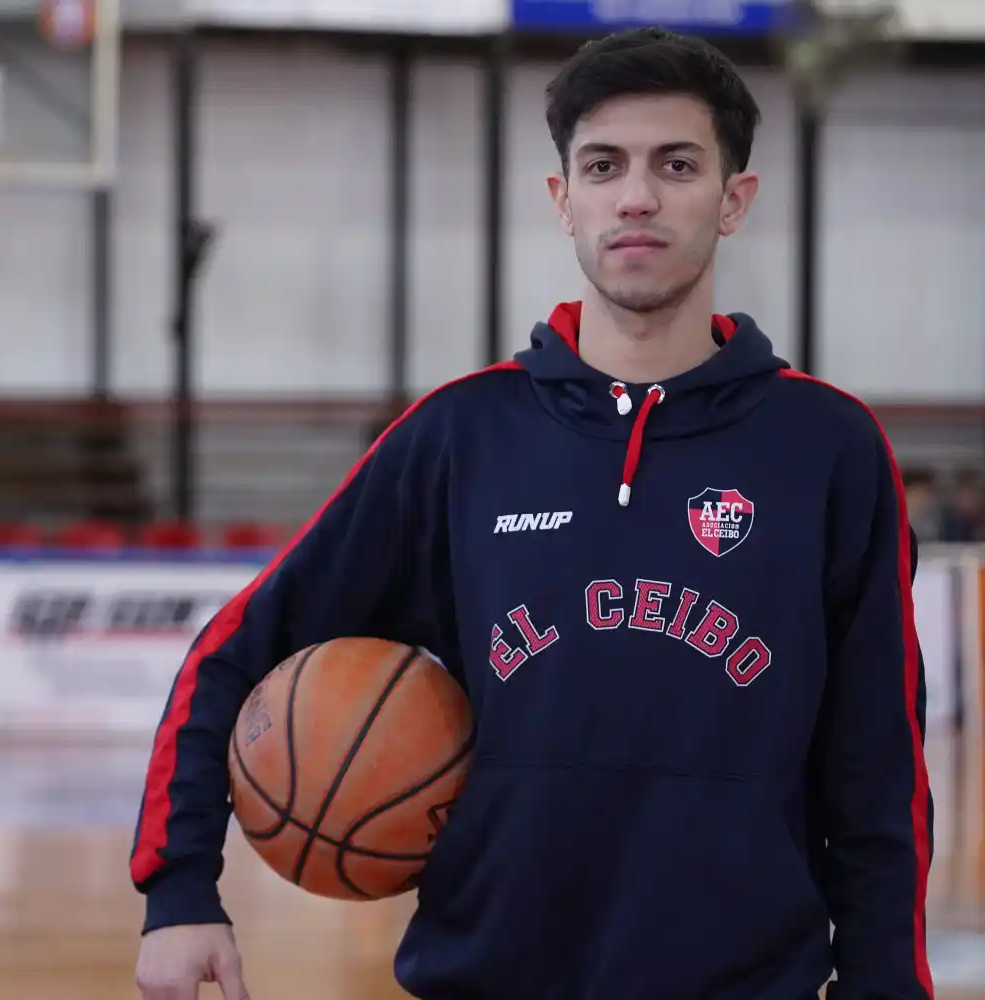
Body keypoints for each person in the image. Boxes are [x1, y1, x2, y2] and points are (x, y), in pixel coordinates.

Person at [130, 27, 933, 1000]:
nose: (637, 195)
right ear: (564, 200)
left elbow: (879, 765)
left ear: (734, 200)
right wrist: (179, 892)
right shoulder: (461, 434)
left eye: (676, 164)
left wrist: (889, 981)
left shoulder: (830, 447)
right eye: (604, 165)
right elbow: (233, 648)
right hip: (491, 975)